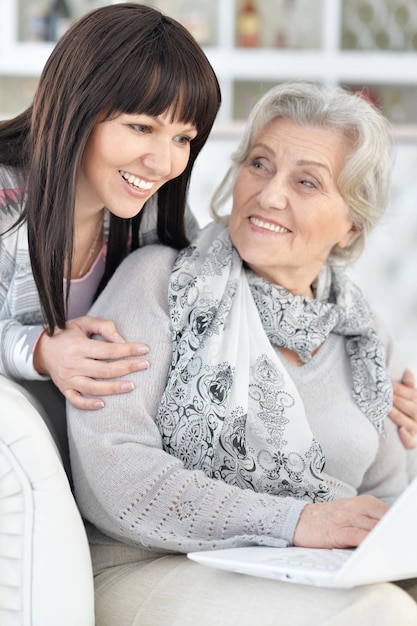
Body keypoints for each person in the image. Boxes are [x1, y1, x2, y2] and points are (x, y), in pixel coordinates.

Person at [68, 82, 417, 625]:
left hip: (312, 573)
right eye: (260, 164)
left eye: (306, 181)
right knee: (381, 613)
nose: (269, 194)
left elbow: (384, 504)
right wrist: (295, 520)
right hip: (148, 568)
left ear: (352, 222)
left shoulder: (368, 339)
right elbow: (114, 474)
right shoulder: (162, 282)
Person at [0, 3, 221, 469]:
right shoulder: (5, 197)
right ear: (78, 107)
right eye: (142, 127)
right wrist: (39, 349)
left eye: (183, 138)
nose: (163, 164)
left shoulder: (150, 210)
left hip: (93, 462)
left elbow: (223, 294)